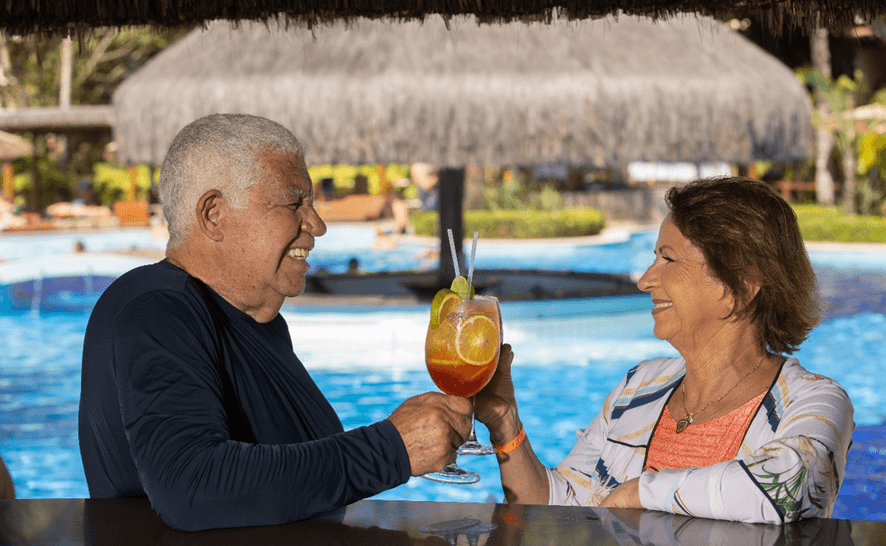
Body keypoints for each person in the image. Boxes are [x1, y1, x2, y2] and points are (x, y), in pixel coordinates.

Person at [78, 114, 472, 531]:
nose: (317, 224)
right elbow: (191, 488)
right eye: (293, 203)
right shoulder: (157, 310)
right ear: (214, 215)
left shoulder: (255, 321)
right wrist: (390, 450)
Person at [475, 176, 854, 524]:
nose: (645, 280)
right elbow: (559, 510)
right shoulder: (639, 387)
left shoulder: (813, 401)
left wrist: (639, 492)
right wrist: (506, 423)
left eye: (668, 259)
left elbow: (790, 486)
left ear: (739, 284)